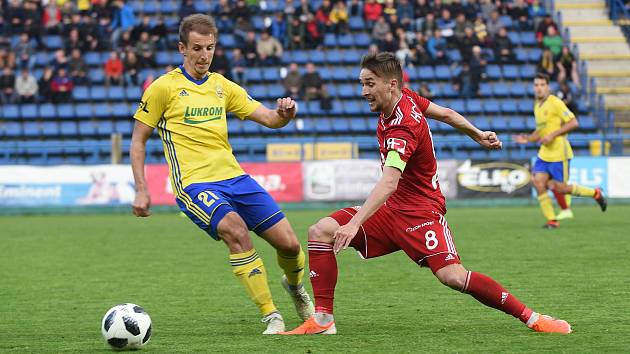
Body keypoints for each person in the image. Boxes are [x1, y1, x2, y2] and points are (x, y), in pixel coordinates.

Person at [282, 52, 572, 335]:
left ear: (390, 84)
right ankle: (322, 319)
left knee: (453, 276)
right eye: (362, 83)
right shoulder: (406, 98)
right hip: (390, 210)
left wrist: (355, 222)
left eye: (370, 84)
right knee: (320, 231)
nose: (363, 91)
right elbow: (445, 113)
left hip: (421, 213)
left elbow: (389, 182)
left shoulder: (403, 127)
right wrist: (476, 133)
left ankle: (533, 318)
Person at [129, 14, 314, 335]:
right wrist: (142, 189)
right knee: (236, 231)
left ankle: (296, 289)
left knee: (290, 246)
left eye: (210, 48)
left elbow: (270, 119)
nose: (204, 55)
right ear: (182, 49)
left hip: (236, 179)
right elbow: (138, 139)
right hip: (194, 183)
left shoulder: (221, 86)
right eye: (197, 48)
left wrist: (285, 114)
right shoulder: (163, 88)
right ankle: (271, 315)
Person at [513, 73, 607, 227]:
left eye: (542, 85)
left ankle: (596, 194)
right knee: (538, 182)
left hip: (559, 153)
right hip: (544, 153)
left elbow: (573, 122)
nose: (539, 88)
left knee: (560, 188)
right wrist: (529, 138)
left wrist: (553, 135)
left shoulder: (555, 102)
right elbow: (541, 130)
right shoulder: (537, 105)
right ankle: (552, 220)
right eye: (536, 85)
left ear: (548, 87)